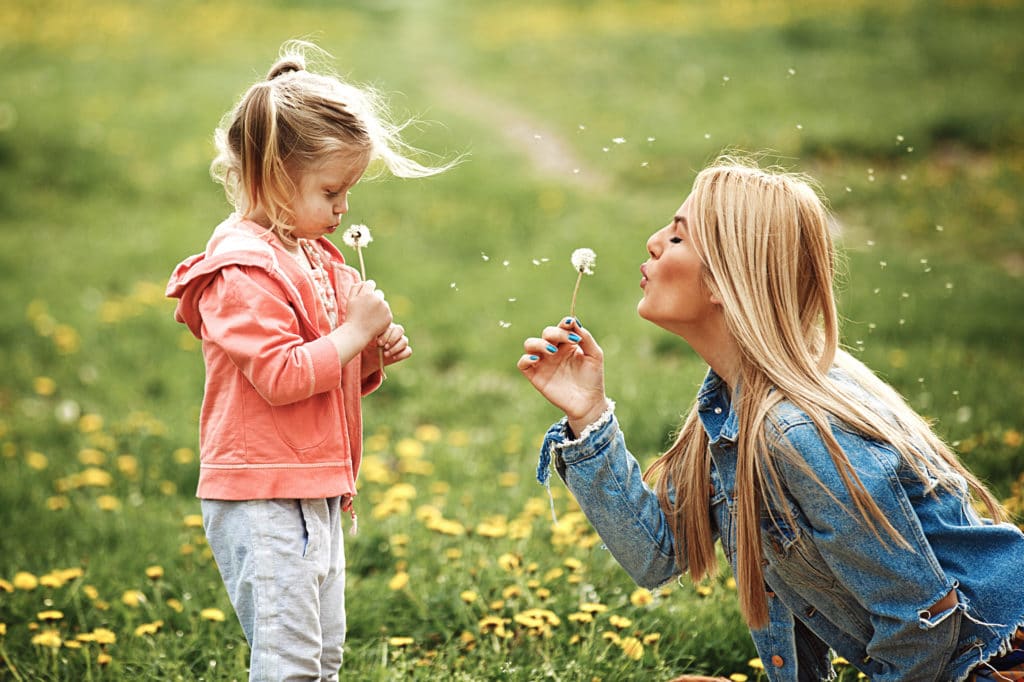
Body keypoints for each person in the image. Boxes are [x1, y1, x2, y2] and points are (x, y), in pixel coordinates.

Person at [518, 155, 1024, 681]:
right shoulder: (733, 406)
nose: (652, 241)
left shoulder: (795, 433)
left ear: (723, 281)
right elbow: (657, 555)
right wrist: (589, 415)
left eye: (677, 238)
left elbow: (924, 623)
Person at [166, 41, 451, 680]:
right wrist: (352, 334)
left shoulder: (314, 256)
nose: (344, 207)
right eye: (331, 190)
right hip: (264, 494)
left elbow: (324, 371)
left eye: (348, 189)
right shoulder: (241, 269)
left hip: (313, 486)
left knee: (322, 657)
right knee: (289, 662)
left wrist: (370, 351)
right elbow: (280, 376)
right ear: (271, 174)